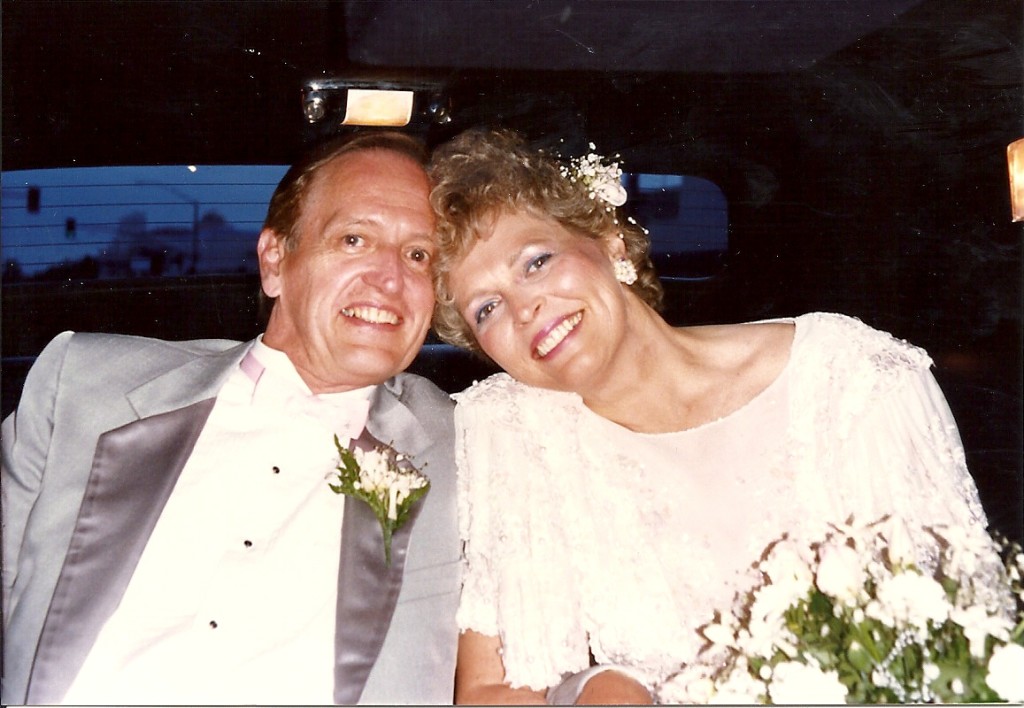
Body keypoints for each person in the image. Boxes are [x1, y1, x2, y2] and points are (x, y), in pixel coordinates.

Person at [427, 128, 990, 704]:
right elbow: (497, 690)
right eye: (487, 307)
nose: (525, 309)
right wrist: (597, 687)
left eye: (536, 262)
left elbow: (962, 646)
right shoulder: (513, 431)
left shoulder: (850, 377)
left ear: (610, 242)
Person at [1, 131, 461, 705]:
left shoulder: (462, 442)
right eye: (353, 239)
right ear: (275, 261)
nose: (391, 278)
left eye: (419, 255)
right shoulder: (81, 385)